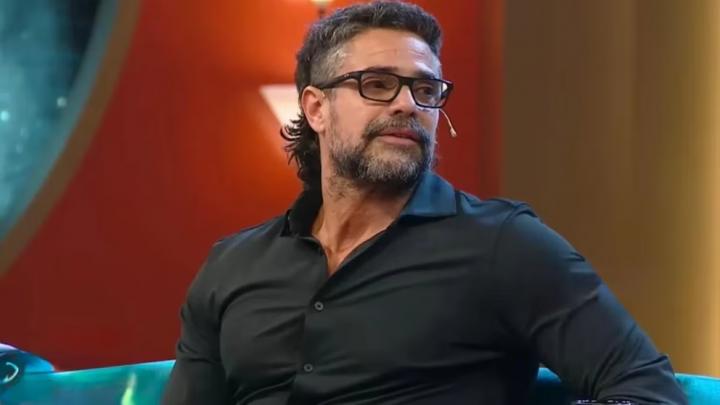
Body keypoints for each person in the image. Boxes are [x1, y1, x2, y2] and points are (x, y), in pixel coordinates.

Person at [162, 2, 687, 404]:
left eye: (426, 90)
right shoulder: (232, 266)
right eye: (378, 84)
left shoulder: (505, 246)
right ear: (316, 108)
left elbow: (647, 392)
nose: (407, 104)